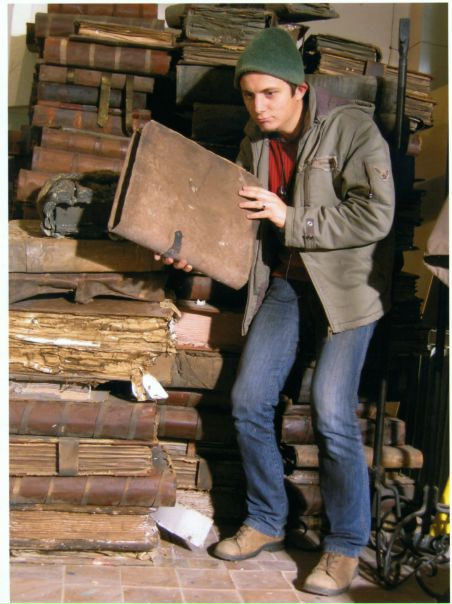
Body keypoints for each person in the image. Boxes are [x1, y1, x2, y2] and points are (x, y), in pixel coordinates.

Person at [156, 27, 395, 597]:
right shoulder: (255, 143)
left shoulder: (352, 129)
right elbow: (237, 223)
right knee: (248, 401)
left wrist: (292, 218)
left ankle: (345, 545)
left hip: (346, 292)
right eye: (249, 95)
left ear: (299, 90)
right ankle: (266, 519)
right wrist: (192, 250)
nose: (259, 107)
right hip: (285, 284)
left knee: (333, 413)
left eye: (270, 94)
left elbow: (376, 215)